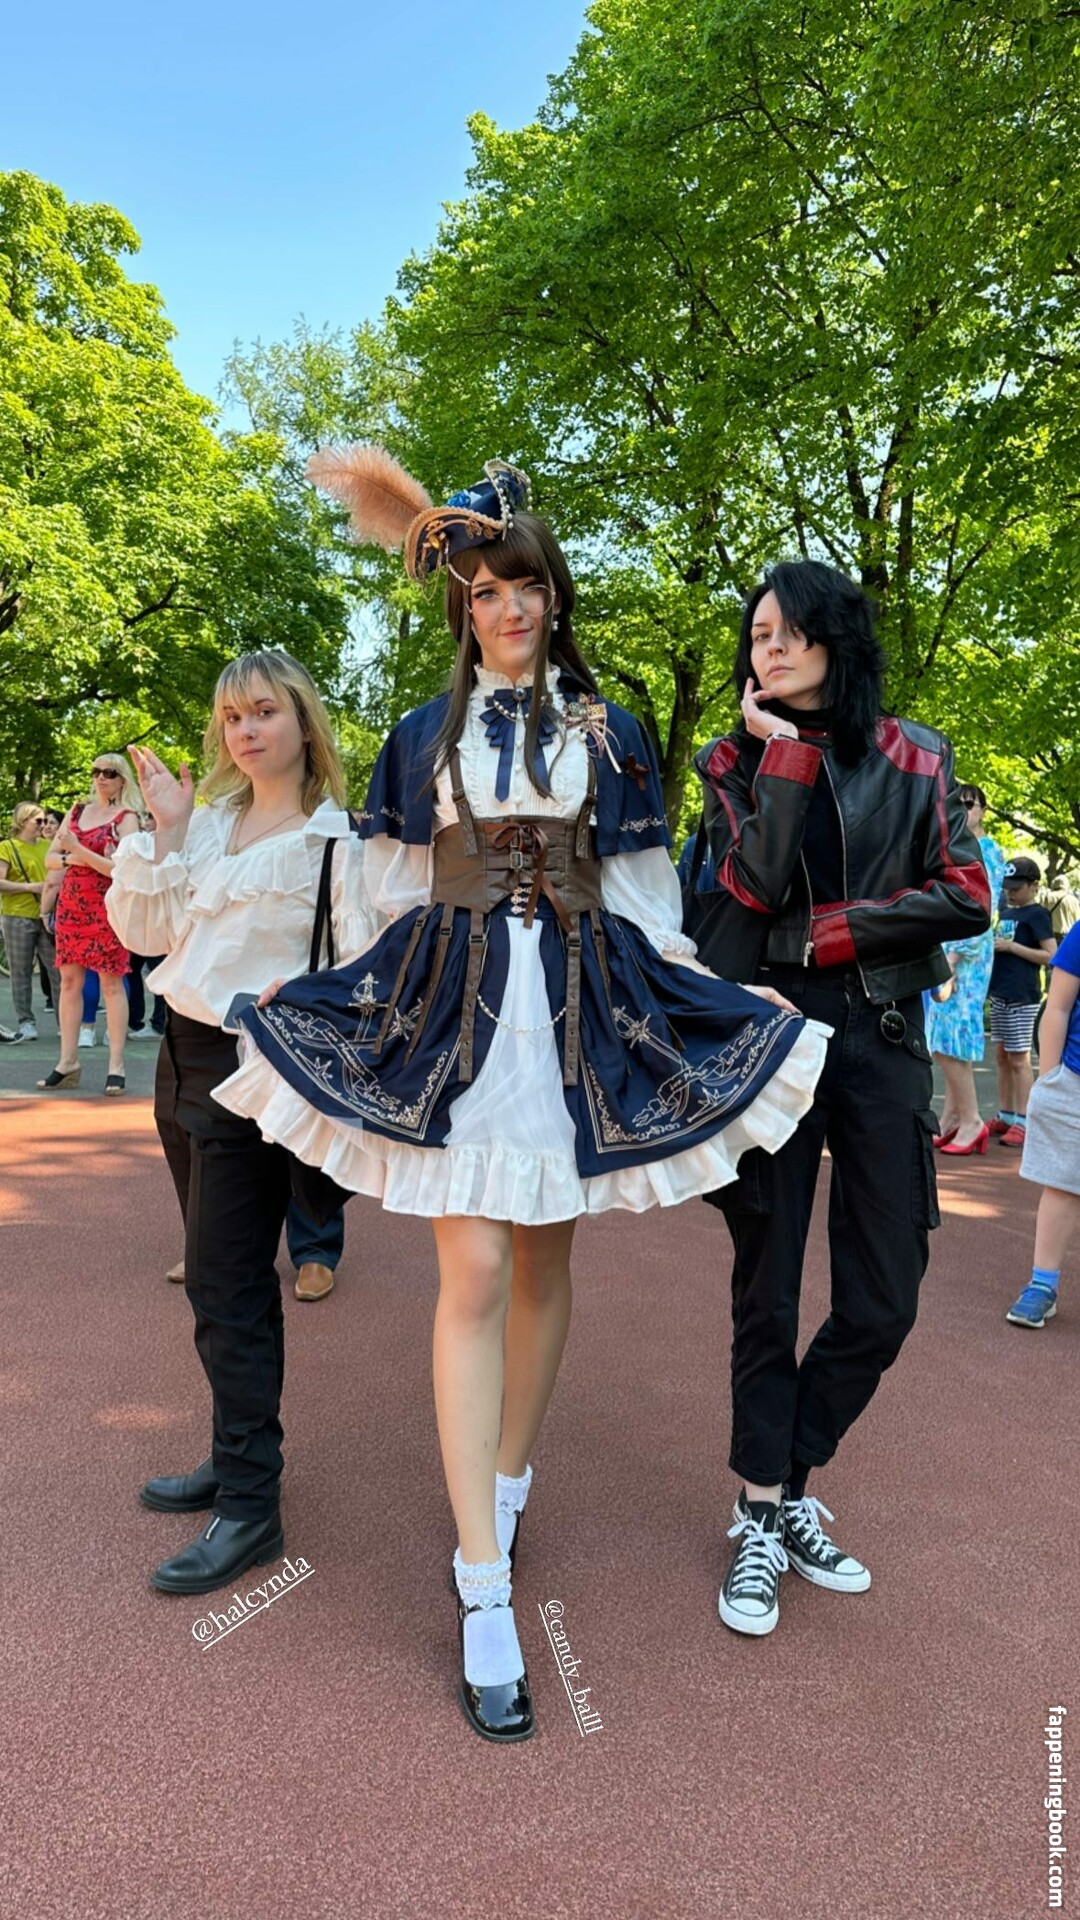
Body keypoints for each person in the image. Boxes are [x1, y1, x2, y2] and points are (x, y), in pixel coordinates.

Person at [213, 448, 829, 1743]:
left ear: (554, 595)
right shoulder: (419, 736)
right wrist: (334, 989)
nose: (508, 607)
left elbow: (644, 897)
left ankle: (505, 1479)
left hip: (579, 1015)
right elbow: (388, 893)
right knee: (477, 1270)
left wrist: (716, 997)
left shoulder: (613, 731)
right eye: (486, 589)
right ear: (462, 602)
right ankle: (483, 1581)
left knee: (545, 1264)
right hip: (456, 1010)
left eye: (527, 585)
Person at [693, 558, 991, 1639]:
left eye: (788, 631)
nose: (768, 648)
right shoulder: (732, 757)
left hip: (884, 1038)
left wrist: (838, 932)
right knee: (766, 1286)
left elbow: (968, 894)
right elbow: (754, 887)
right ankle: (761, 1509)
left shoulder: (917, 754)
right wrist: (780, 754)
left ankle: (787, 1477)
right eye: (757, 634)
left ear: (835, 637)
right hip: (776, 1039)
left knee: (885, 1296)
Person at [105, 650, 370, 1599]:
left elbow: (366, 969)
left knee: (226, 1284)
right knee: (222, 1285)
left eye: (263, 711)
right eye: (231, 717)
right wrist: (169, 831)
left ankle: (253, 1503)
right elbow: (146, 935)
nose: (245, 730)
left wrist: (312, 995)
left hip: (255, 1070)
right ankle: (234, 1458)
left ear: (303, 721)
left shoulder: (338, 842)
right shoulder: (211, 822)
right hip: (180, 1056)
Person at [38, 757, 140, 1093]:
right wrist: (77, 857)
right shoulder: (78, 810)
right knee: (69, 982)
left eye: (109, 773)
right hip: (71, 905)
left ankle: (116, 1066)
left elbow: (120, 869)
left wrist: (76, 850)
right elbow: (51, 859)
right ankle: (67, 1062)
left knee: (111, 983)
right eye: (96, 771)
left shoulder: (127, 818)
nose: (101, 778)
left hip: (107, 907)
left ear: (122, 779)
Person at [1006, 919, 1080, 1327]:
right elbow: (1058, 1006)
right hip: (1074, 1082)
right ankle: (1042, 1284)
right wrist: (1049, 1079)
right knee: (1063, 1186)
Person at [925, 783, 1005, 1154]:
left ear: (983, 809)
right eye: (959, 805)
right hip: (954, 950)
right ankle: (953, 1116)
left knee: (952, 1036)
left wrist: (953, 960)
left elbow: (982, 910)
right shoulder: (960, 846)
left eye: (970, 804)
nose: (965, 810)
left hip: (966, 955)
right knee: (945, 1036)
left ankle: (971, 1120)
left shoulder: (986, 850)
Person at [988, 856, 1057, 1147]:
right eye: (1007, 888)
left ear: (1033, 886)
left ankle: (1024, 1120)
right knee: (1002, 1056)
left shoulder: (1038, 915)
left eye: (1016, 888)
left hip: (1022, 995)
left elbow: (1051, 955)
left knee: (1019, 1058)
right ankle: (1006, 1114)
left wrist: (1012, 947)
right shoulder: (1006, 912)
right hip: (1000, 991)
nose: (1010, 893)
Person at [0, 804, 61, 1039]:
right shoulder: (7, 847)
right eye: (39, 821)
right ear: (23, 821)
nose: (43, 825)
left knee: (58, 971)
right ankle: (26, 1021)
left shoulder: (48, 846)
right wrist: (30, 887)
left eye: (45, 821)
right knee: (21, 971)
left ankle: (64, 1022)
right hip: (17, 915)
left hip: (48, 916)